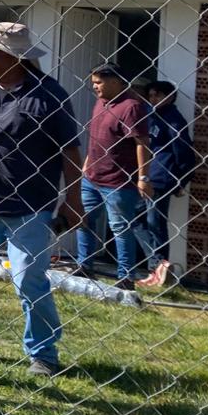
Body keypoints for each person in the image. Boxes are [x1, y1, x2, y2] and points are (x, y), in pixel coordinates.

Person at [0, 22, 83, 378]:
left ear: (16, 56)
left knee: (28, 280)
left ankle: (43, 354)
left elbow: (71, 151)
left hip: (29, 206)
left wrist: (73, 199)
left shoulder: (49, 95)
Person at [75, 64, 150, 291]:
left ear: (116, 81)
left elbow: (142, 143)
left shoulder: (131, 107)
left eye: (99, 82)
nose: (95, 87)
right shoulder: (101, 103)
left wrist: (143, 177)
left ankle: (125, 276)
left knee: (120, 228)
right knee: (83, 220)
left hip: (118, 181)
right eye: (93, 82)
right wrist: (86, 165)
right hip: (92, 177)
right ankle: (84, 266)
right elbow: (97, 137)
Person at [137, 80, 195, 287]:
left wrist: (181, 181)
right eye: (151, 95)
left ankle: (158, 269)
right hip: (146, 176)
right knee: (135, 218)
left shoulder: (173, 120)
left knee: (155, 223)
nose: (153, 99)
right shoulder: (150, 115)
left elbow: (185, 154)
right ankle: (159, 265)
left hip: (161, 179)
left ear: (170, 97)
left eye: (158, 95)